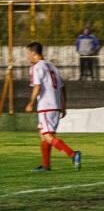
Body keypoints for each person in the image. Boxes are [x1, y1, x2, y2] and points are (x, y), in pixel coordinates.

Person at [25, 42, 82, 172]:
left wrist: (30, 103)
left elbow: (37, 86)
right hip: (55, 106)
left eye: (28, 54)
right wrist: (63, 106)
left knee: (48, 136)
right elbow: (62, 87)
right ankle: (46, 165)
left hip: (46, 106)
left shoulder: (36, 67)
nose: (27, 57)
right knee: (43, 135)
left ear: (34, 53)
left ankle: (73, 154)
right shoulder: (53, 67)